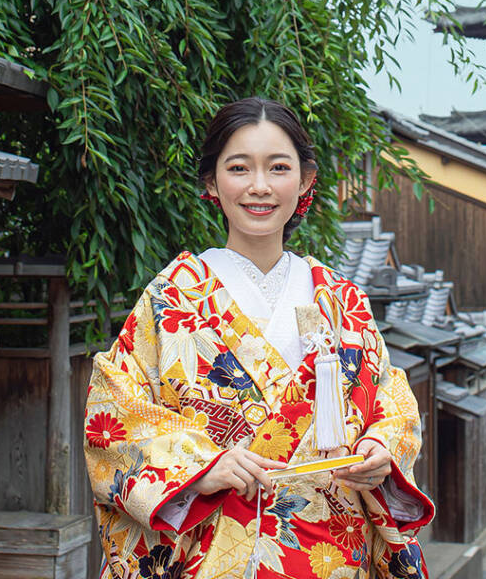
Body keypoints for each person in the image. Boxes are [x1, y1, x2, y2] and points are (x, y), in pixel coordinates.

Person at [84, 96, 434, 578]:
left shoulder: (342, 299)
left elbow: (390, 400)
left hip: (331, 552)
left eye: (278, 167)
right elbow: (113, 411)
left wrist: (383, 451)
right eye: (239, 168)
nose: (260, 187)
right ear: (212, 181)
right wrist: (202, 467)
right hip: (212, 553)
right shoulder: (172, 299)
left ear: (305, 180)